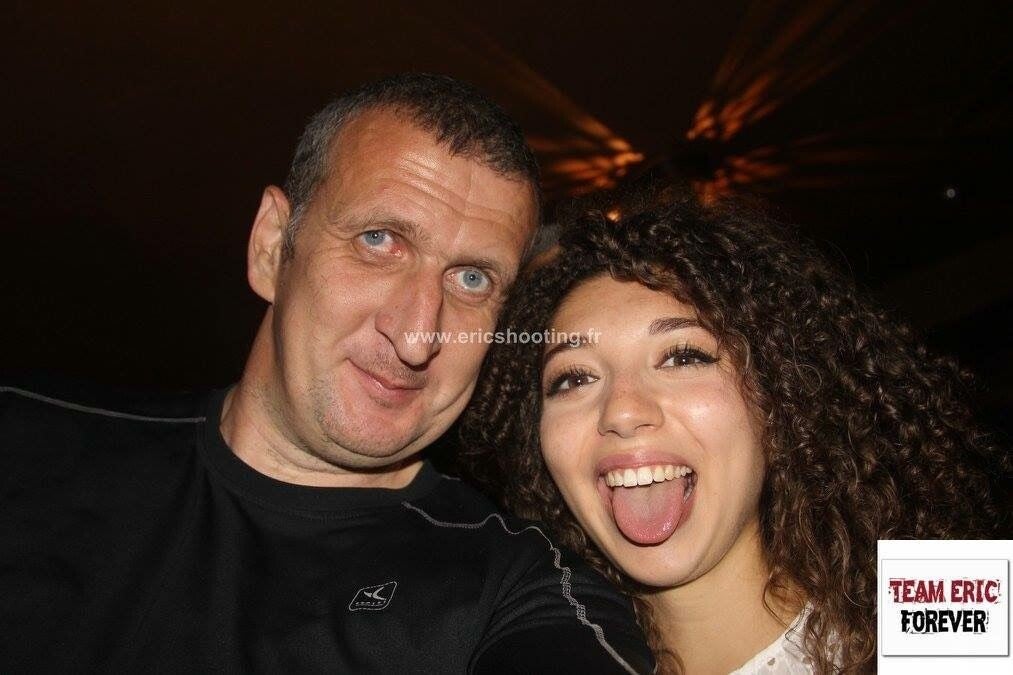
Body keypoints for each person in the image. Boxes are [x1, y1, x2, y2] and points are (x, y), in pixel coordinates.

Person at [0, 74, 653, 674]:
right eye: (379, 240)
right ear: (271, 246)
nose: (417, 335)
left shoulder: (523, 589)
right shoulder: (25, 437)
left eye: (472, 278)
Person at [460, 195, 1009, 673]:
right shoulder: (530, 657)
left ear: (780, 392)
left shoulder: (948, 604)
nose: (622, 412)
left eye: (683, 356)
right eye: (575, 378)